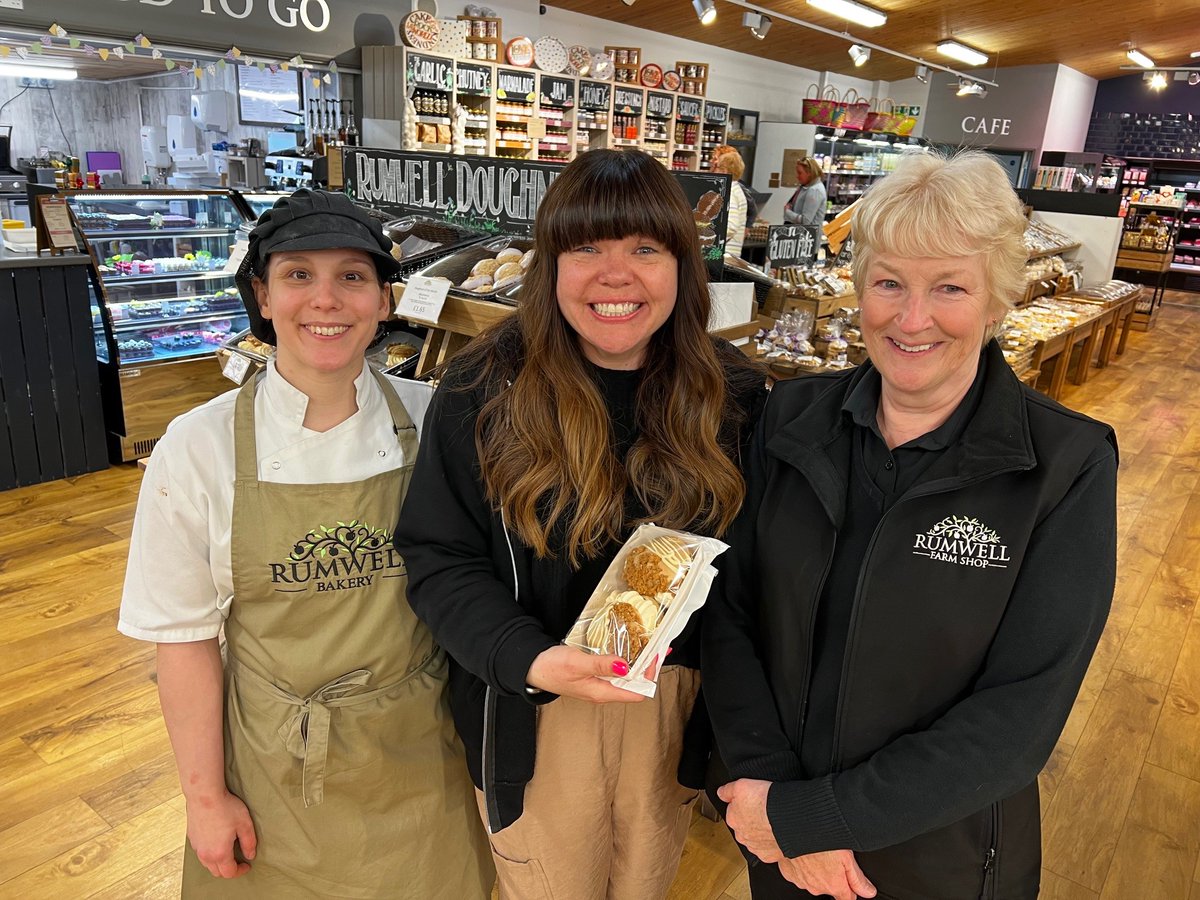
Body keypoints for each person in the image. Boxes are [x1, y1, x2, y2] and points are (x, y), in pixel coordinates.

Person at [704, 151, 1118, 900]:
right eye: (890, 282)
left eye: (950, 287)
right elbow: (730, 613)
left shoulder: (1063, 466)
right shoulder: (789, 419)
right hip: (775, 828)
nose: (912, 317)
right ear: (860, 288)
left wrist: (817, 820)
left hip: (939, 858)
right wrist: (771, 801)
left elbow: (1018, 717)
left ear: (997, 300)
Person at [394, 149, 767, 900]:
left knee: (646, 881)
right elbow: (438, 554)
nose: (615, 274)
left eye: (644, 249)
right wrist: (525, 658)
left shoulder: (739, 397)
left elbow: (755, 580)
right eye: (586, 248)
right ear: (550, 265)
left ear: (682, 267)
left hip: (675, 705)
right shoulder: (482, 387)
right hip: (535, 712)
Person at [118, 189, 493, 898]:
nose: (326, 300)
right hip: (272, 771)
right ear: (262, 296)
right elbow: (185, 641)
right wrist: (205, 799)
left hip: (420, 762)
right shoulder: (195, 448)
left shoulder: (438, 422)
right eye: (298, 275)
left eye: (352, 276)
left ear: (385, 301)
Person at [783, 156, 827, 261]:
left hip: (805, 245)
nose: (797, 176)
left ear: (809, 173)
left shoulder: (814, 191)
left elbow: (806, 221)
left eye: (800, 173)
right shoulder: (806, 187)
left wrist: (787, 212)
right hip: (801, 242)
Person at [711, 145, 752, 257]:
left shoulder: (729, 191)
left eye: (716, 166)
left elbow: (731, 226)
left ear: (724, 171)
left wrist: (710, 238)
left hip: (724, 255)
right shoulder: (736, 188)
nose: (713, 169)